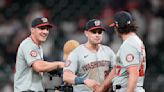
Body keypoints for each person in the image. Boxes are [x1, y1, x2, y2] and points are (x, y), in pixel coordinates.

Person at [95, 11, 146, 92]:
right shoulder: (134, 41)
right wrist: (102, 88)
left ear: (117, 27)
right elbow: (116, 69)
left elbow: (133, 74)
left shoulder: (129, 44)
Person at [63, 19, 116, 92]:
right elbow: (66, 76)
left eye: (100, 32)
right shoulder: (77, 53)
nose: (97, 35)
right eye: (94, 32)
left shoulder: (108, 51)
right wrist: (84, 80)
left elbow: (117, 70)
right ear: (86, 33)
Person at [14, 17, 64, 92]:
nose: (45, 32)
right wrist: (59, 64)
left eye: (47, 29)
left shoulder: (38, 46)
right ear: (32, 30)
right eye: (41, 28)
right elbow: (38, 66)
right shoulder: (28, 45)